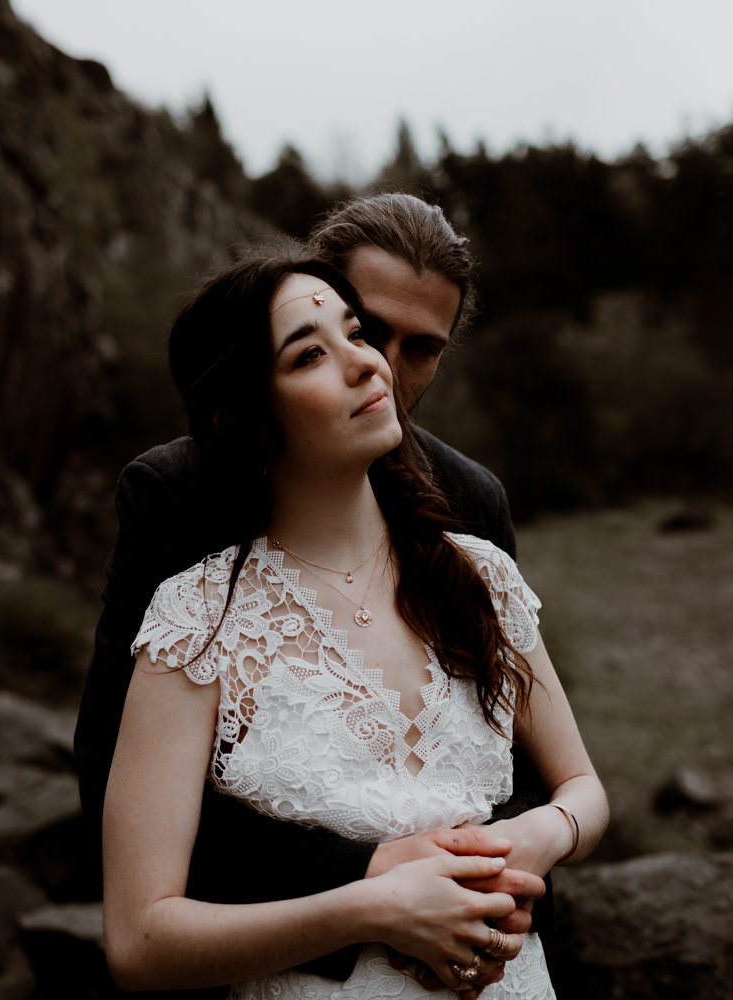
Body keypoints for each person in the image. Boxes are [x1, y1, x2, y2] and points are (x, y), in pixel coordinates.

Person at [101, 253, 607, 997]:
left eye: (355, 333)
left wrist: (537, 837)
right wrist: (371, 908)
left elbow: (583, 787)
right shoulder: (194, 623)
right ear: (243, 416)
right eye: (309, 353)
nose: (368, 365)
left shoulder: (480, 575)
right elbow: (141, 943)